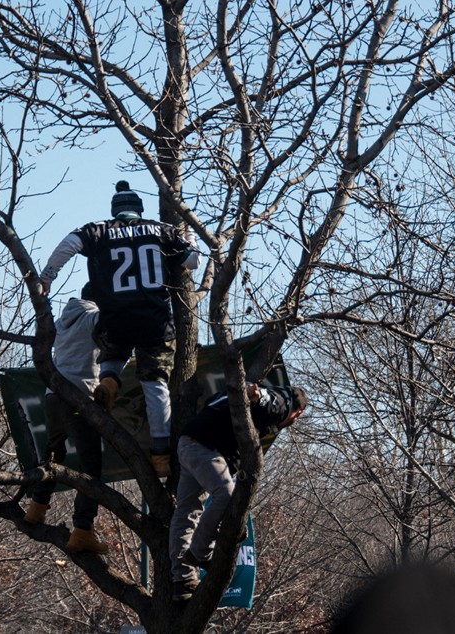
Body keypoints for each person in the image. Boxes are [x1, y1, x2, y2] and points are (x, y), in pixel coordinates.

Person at [39, 181, 200, 477]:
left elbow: (69, 243)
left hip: (114, 315)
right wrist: (188, 236)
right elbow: (193, 261)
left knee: (113, 350)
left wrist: (47, 276)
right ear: (139, 210)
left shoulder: (99, 230)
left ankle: (110, 379)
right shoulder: (161, 230)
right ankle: (161, 453)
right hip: (155, 318)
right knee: (155, 384)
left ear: (115, 211)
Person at [168, 383, 307, 601]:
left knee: (186, 513)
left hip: (188, 444)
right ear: (297, 413)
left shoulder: (234, 395)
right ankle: (200, 552)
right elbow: (267, 399)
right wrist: (258, 395)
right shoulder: (283, 402)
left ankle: (182, 581)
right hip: (205, 449)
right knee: (228, 495)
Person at [23, 286, 109, 555]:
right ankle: (82, 529)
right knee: (90, 466)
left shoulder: (61, 322)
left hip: (53, 395)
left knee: (54, 453)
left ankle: (36, 507)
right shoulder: (96, 318)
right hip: (78, 396)